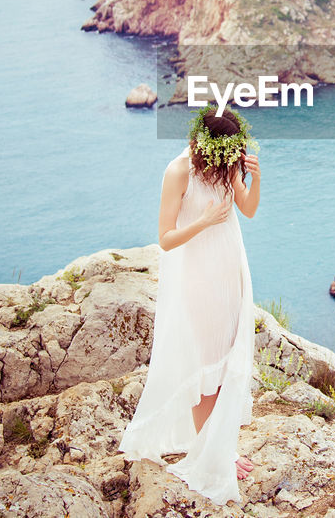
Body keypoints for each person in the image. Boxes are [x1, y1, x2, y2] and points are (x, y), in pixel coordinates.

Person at [118, 107, 261, 505]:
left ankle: (219, 446)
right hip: (198, 276)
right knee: (205, 368)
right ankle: (210, 454)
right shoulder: (178, 171)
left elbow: (247, 209)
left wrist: (255, 177)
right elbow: (165, 238)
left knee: (227, 360)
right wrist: (206, 220)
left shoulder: (225, 165)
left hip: (230, 270)